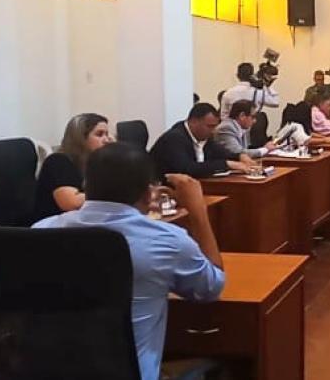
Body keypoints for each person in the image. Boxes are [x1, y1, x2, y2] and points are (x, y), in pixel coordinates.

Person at [33, 143, 225, 380]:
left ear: (85, 185)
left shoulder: (41, 231)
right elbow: (211, 288)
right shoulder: (167, 241)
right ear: (148, 194)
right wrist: (198, 212)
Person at [32, 113, 115, 225]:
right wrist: (115, 193)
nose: (107, 140)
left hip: (82, 223)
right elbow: (71, 203)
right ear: (81, 139)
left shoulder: (96, 163)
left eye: (107, 134)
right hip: (53, 228)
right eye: (99, 135)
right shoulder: (58, 161)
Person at [150, 103, 250, 178]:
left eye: (215, 126)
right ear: (193, 122)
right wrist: (226, 164)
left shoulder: (205, 137)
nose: (213, 131)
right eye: (210, 126)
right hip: (165, 190)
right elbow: (187, 169)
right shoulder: (174, 138)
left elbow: (223, 153)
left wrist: (240, 156)